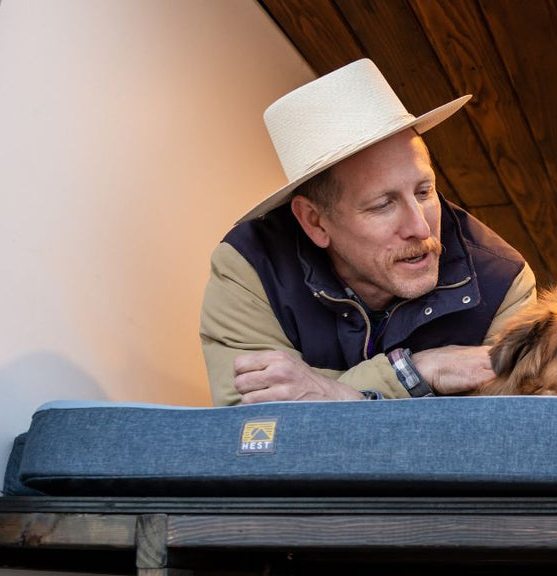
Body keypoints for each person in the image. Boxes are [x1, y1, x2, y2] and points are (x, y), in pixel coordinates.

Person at [200, 59, 536, 405]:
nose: (421, 227)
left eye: (424, 191)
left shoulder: (503, 282)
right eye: (383, 205)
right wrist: (413, 372)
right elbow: (256, 427)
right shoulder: (249, 269)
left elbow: (497, 433)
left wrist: (332, 395)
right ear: (315, 222)